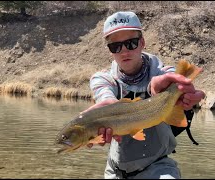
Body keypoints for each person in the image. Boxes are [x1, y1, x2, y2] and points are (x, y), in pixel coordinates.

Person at [81, 11, 205, 179]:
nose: (124, 51)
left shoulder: (161, 73)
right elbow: (104, 95)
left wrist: (182, 89)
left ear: (142, 43)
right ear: (110, 51)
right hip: (115, 171)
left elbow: (172, 77)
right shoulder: (103, 79)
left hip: (158, 167)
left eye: (131, 43)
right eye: (115, 46)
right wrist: (110, 108)